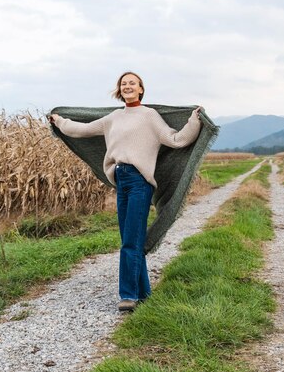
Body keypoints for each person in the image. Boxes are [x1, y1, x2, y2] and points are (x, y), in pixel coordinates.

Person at [49, 71, 203, 312]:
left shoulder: (149, 116)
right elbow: (82, 129)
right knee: (130, 239)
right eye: (124, 84)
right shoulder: (112, 118)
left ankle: (128, 296)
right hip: (121, 180)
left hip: (140, 181)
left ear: (141, 89)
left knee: (130, 241)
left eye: (132, 83)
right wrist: (59, 122)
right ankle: (143, 293)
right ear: (119, 91)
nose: (128, 86)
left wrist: (194, 121)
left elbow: (175, 140)